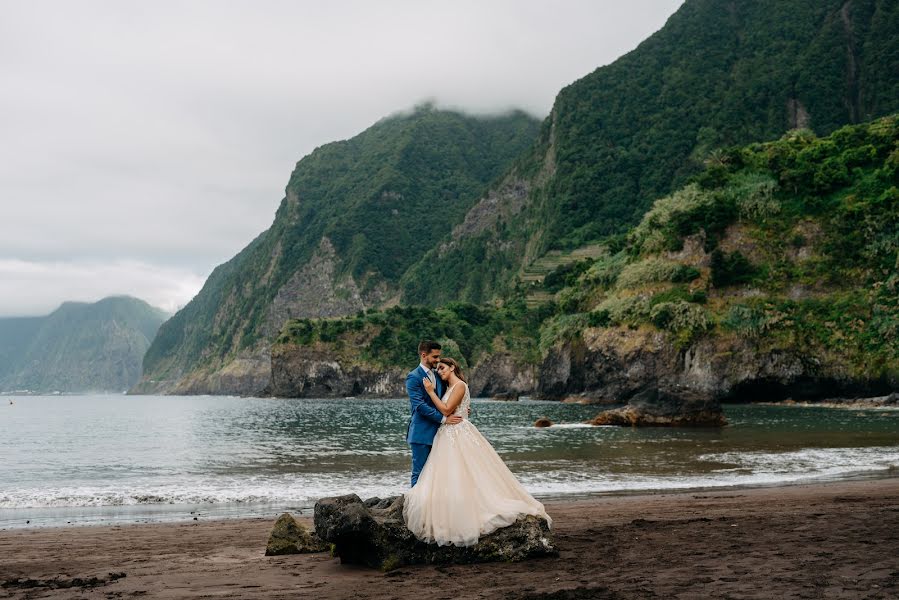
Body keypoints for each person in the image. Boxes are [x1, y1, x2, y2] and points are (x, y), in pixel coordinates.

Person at [403, 356, 551, 547]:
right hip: (448, 433)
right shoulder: (450, 387)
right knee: (452, 474)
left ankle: (465, 511)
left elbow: (447, 410)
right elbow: (456, 408)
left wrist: (431, 392)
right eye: (438, 369)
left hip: (456, 432)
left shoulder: (460, 386)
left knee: (466, 471)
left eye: (442, 368)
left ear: (452, 367)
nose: (439, 372)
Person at [406, 341, 463, 487]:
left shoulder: (438, 376)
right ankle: (416, 508)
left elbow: (446, 399)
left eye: (439, 357)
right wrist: (444, 419)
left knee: (438, 473)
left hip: (441, 434)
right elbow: (419, 406)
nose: (438, 360)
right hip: (422, 434)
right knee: (419, 473)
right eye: (435, 357)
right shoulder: (413, 377)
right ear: (424, 355)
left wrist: (460, 408)